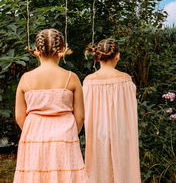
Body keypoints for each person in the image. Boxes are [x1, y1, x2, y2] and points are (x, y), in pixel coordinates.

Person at [13, 28, 89, 183]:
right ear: (61, 50)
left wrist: (35, 132)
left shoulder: (26, 79)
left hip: (34, 137)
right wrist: (69, 135)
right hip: (65, 136)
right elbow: (80, 117)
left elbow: (20, 117)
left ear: (37, 50)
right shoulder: (71, 78)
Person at [83, 38, 141, 183]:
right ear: (117, 56)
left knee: (98, 170)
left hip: (96, 133)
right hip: (122, 134)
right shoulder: (126, 81)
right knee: (124, 171)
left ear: (97, 56)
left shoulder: (89, 82)